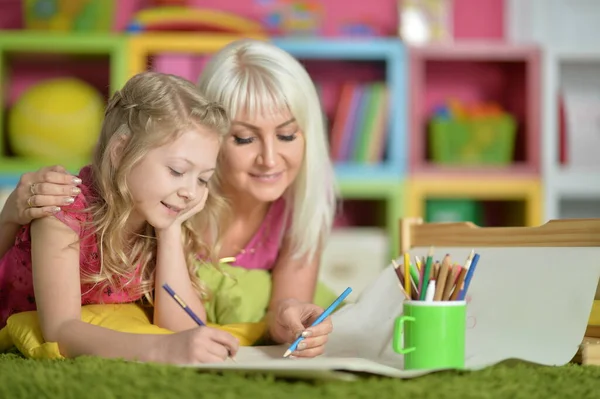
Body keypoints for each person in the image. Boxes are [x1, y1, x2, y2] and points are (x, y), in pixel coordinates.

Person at [0, 39, 337, 358]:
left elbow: (187, 326)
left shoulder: (165, 214)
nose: (191, 190)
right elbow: (60, 330)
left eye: (204, 178)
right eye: (177, 171)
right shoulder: (69, 212)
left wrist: (170, 230)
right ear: (120, 150)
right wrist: (165, 350)